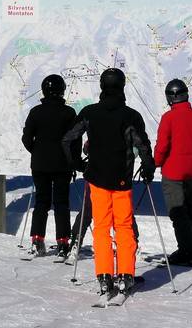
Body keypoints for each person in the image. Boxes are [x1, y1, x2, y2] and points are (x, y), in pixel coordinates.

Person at [62, 67, 154, 300]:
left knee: (101, 228)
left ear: (102, 86)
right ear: (122, 86)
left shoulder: (89, 112)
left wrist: (76, 163)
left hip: (97, 179)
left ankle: (104, 276)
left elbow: (69, 139)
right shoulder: (131, 115)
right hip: (122, 180)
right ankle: (125, 275)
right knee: (123, 227)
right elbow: (142, 144)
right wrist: (149, 167)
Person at [154, 78, 192, 267]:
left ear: (170, 97)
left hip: (172, 172)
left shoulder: (168, 118)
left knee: (178, 213)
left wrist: (155, 163)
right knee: (191, 212)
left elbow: (162, 147)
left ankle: (186, 252)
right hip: (190, 172)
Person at [21, 74, 77, 257]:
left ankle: (37, 239)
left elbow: (26, 138)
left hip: (40, 164)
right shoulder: (69, 113)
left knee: (41, 202)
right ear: (62, 90)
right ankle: (63, 242)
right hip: (62, 164)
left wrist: (37, 151)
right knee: (61, 203)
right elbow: (75, 140)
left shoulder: (36, 112)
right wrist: (73, 161)